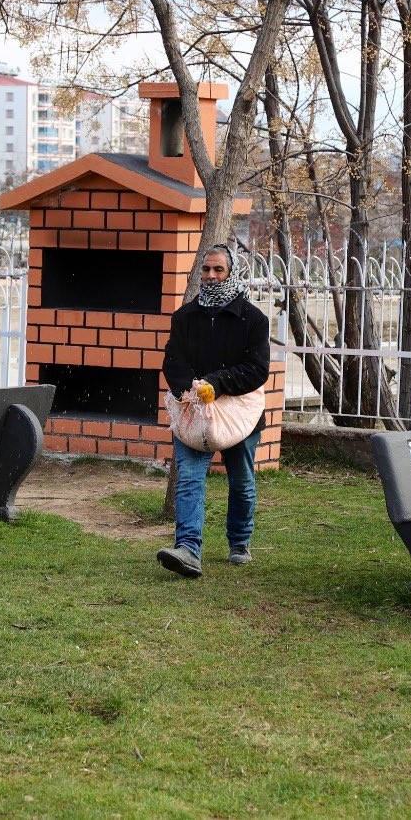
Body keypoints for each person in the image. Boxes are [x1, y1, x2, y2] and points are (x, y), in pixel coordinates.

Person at [156, 243, 270, 578]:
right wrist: (188, 390)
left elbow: (257, 369)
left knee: (241, 481)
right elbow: (173, 361)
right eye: (205, 270)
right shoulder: (185, 317)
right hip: (194, 414)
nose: (210, 276)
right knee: (189, 478)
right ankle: (188, 549)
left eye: (218, 270)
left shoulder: (253, 319)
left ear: (231, 272)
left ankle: (239, 540)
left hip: (239, 415)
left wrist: (217, 384)